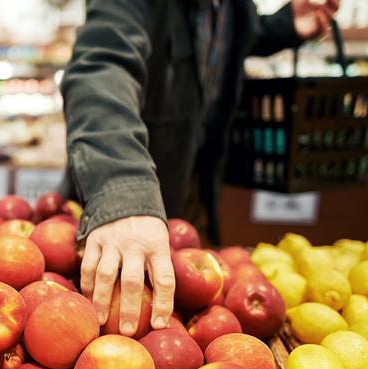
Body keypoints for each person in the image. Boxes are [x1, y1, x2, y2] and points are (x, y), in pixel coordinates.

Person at [60, 0, 338, 336]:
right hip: (119, 211)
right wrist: (122, 191)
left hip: (191, 184)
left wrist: (285, 25)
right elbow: (102, 69)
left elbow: (232, 40)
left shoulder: (233, 7)